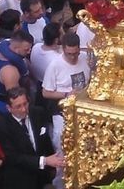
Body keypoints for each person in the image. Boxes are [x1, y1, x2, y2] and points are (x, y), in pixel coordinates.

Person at [41, 32, 90, 188]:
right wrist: (67, 94)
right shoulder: (55, 65)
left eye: (75, 53)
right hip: (62, 114)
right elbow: (46, 92)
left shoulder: (84, 58)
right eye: (69, 54)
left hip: (82, 111)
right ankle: (60, 183)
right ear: (63, 49)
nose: (73, 57)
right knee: (63, 148)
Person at [0, 88, 63, 189]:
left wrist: (52, 166)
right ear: (9, 108)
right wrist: (45, 161)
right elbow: (14, 157)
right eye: (18, 106)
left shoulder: (38, 112)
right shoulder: (2, 126)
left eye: (25, 104)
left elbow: (46, 140)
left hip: (42, 176)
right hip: (21, 179)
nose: (24, 109)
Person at [0, 31, 34, 114]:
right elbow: (15, 100)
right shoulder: (10, 72)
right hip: (3, 106)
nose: (29, 51)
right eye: (26, 49)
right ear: (16, 49)